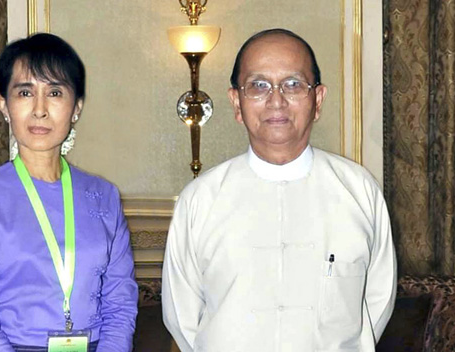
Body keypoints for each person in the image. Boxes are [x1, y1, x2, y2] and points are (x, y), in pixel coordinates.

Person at [162, 28, 396, 352]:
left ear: (318, 100)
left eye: (293, 84)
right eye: (258, 86)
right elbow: (183, 317)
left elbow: (377, 303)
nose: (276, 100)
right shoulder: (201, 200)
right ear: (236, 102)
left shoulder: (359, 192)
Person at [0, 33, 138, 352]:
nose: (40, 109)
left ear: (76, 107)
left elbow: (120, 306)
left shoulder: (104, 196)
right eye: (25, 92)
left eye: (54, 92)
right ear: (3, 105)